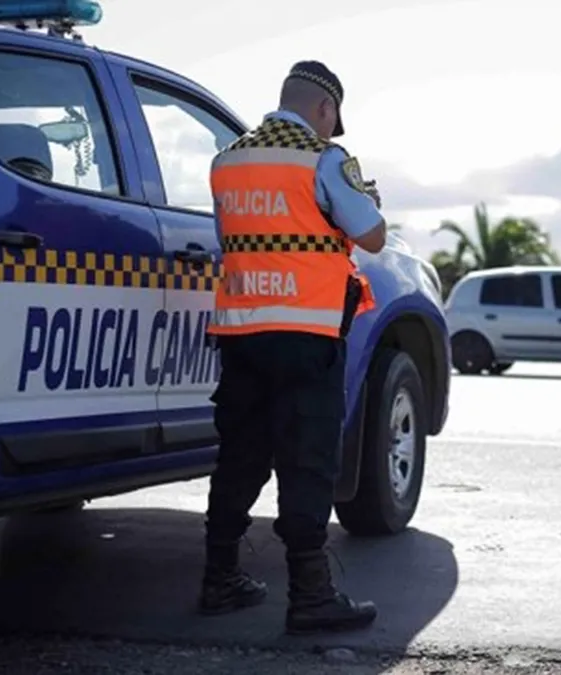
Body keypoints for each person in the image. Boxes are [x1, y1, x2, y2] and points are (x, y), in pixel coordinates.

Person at [200, 60, 386, 635]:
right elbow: (373, 236)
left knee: (240, 454)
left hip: (241, 331)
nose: (331, 130)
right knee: (307, 460)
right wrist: (365, 196)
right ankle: (311, 595)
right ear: (324, 109)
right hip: (305, 335)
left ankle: (219, 579)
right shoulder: (323, 159)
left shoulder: (225, 161)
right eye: (332, 120)